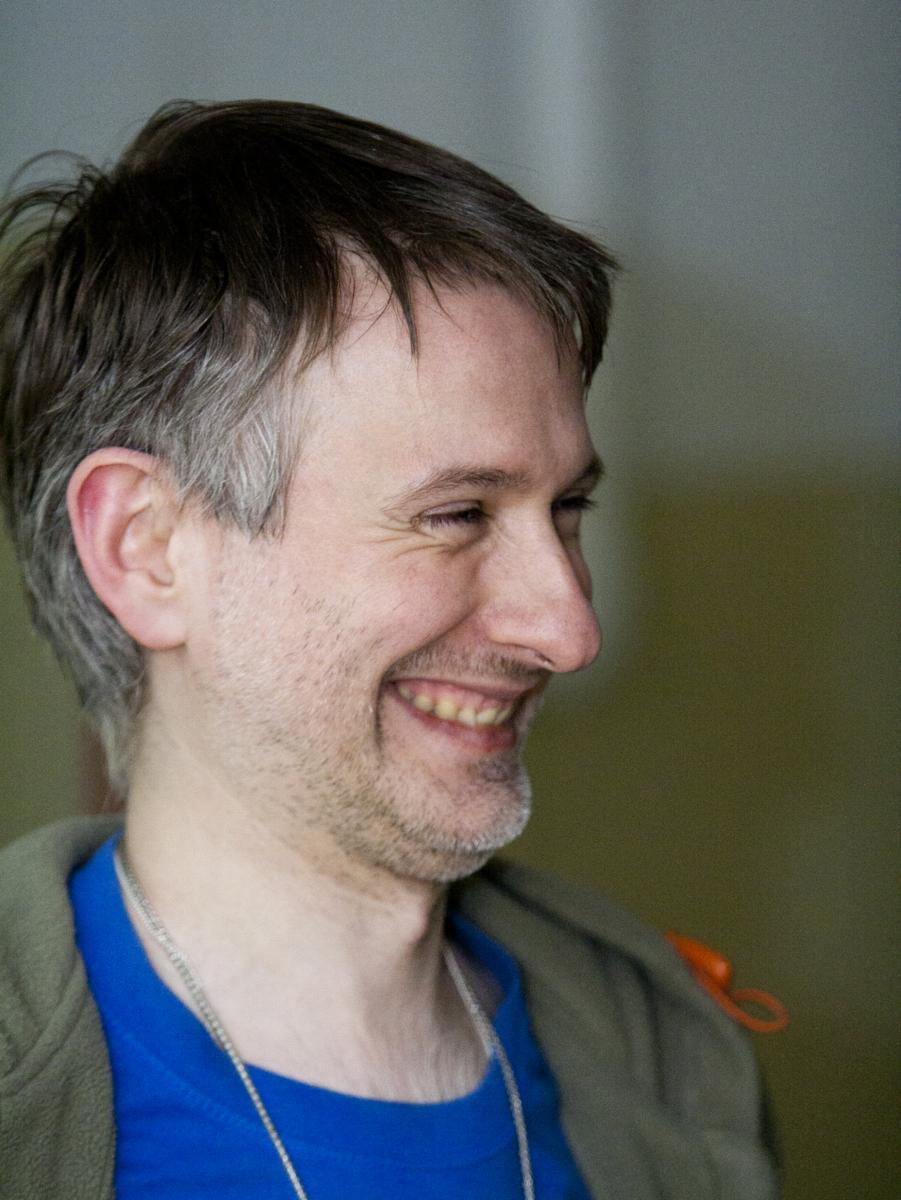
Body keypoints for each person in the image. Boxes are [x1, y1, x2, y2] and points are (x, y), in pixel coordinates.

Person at [0, 101, 780, 1199]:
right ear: (148, 547)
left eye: (566, 510)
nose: (568, 630)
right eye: (457, 514)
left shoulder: (667, 1054)